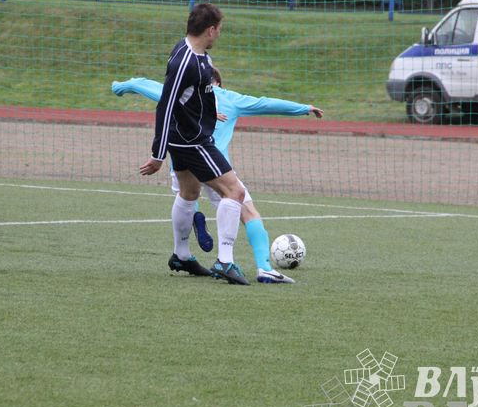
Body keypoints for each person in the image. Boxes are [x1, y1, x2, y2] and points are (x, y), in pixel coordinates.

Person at [114, 68, 323, 284]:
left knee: (186, 196)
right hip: (215, 167)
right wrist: (303, 108)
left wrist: (119, 87)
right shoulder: (230, 98)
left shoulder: (180, 92)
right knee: (247, 210)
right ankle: (263, 267)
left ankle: (184, 247)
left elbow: (142, 83)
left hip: (180, 160)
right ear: (218, 83)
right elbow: (266, 103)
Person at [139, 2, 259, 285]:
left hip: (188, 137)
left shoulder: (199, 55)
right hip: (192, 140)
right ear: (211, 30)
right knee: (235, 191)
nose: (219, 35)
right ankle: (225, 261)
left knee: (189, 191)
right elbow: (166, 105)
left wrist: (209, 112)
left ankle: (181, 255)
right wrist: (158, 154)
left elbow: (193, 96)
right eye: (220, 30)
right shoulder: (186, 62)